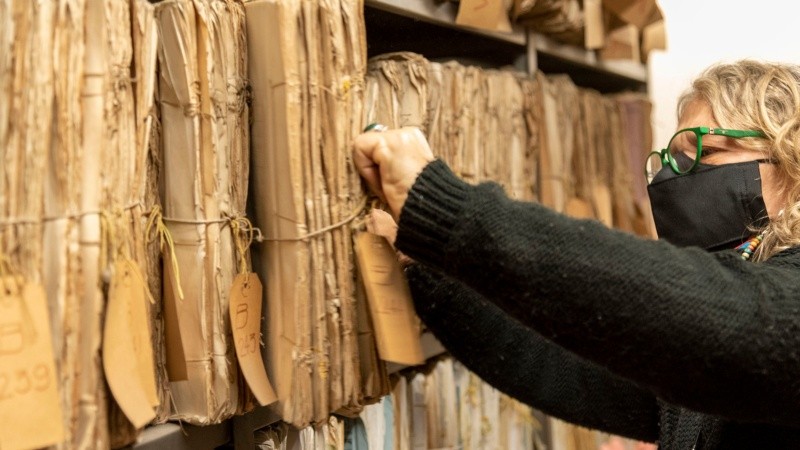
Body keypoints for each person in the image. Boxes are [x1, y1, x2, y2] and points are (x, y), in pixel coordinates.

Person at [352, 59, 800, 449]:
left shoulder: (775, 307)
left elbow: (735, 316)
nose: (672, 177)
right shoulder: (701, 353)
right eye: (670, 159)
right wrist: (426, 267)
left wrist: (445, 207)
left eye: (703, 151)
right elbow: (558, 365)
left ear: (791, 160)